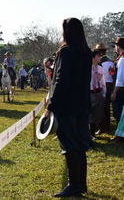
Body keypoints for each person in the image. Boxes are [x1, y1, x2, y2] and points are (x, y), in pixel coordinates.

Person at [45, 18, 92, 197]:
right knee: (80, 146)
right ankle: (81, 184)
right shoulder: (86, 52)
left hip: (67, 107)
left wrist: (51, 105)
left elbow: (60, 81)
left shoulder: (66, 51)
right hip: (82, 105)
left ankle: (74, 185)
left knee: (70, 146)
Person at [93, 43, 114, 134]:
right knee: (107, 107)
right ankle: (107, 126)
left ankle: (101, 127)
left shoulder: (100, 64)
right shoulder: (111, 61)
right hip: (111, 85)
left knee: (101, 107)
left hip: (103, 85)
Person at [88, 50, 106, 144]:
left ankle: (93, 132)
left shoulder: (100, 68)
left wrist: (104, 93)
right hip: (90, 93)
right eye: (98, 56)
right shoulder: (87, 68)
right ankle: (89, 133)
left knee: (97, 113)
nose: (99, 57)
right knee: (89, 113)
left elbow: (103, 82)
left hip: (98, 93)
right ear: (93, 57)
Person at [110, 37, 124, 142]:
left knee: (118, 111)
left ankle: (120, 135)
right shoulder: (120, 59)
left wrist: (115, 91)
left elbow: (120, 78)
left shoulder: (122, 60)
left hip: (120, 90)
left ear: (118, 46)